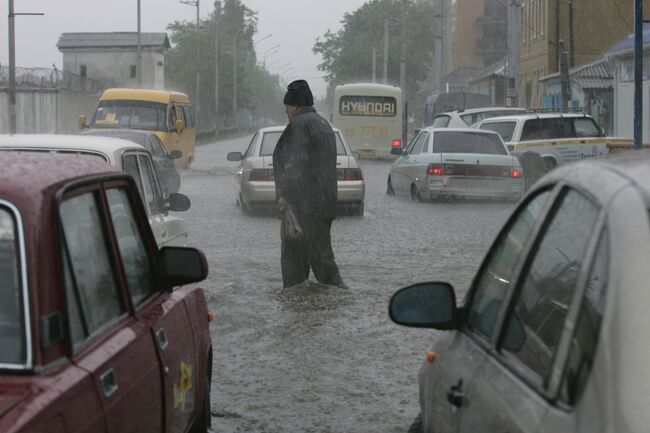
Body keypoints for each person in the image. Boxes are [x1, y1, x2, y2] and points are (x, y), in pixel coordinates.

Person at [272, 79, 347, 289]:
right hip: (323, 207)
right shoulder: (324, 124)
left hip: (302, 209)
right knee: (323, 261)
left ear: (294, 106)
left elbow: (294, 164)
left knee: (295, 269)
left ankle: (298, 308)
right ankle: (334, 305)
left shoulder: (298, 126)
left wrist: (284, 197)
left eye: (286, 107)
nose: (285, 111)